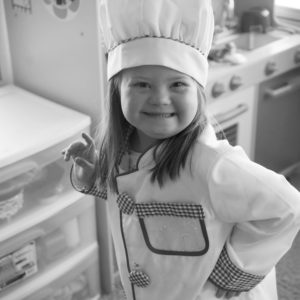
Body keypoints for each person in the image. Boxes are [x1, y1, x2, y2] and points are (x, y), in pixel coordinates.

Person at [62, 0, 300, 299]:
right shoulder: (123, 147)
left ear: (197, 92)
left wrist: (232, 272)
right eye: (141, 85)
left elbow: (288, 208)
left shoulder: (212, 165)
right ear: (117, 91)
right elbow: (128, 193)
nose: (160, 98)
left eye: (177, 84)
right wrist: (94, 171)